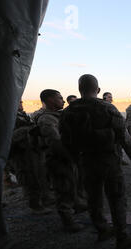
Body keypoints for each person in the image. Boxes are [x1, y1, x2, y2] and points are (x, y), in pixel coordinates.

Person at [60, 74, 131, 249]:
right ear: (97, 90)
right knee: (116, 197)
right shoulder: (107, 108)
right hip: (108, 160)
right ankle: (122, 236)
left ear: (80, 89)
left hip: (85, 161)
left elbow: (65, 141)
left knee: (93, 198)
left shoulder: (68, 111)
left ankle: (102, 229)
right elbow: (123, 136)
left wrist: (75, 161)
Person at [36, 90, 83, 233]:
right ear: (50, 100)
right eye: (60, 98)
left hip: (68, 157)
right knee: (63, 189)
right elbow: (55, 142)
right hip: (58, 160)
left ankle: (76, 204)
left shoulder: (59, 116)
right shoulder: (46, 119)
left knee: (73, 183)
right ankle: (68, 221)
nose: (63, 101)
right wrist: (71, 156)